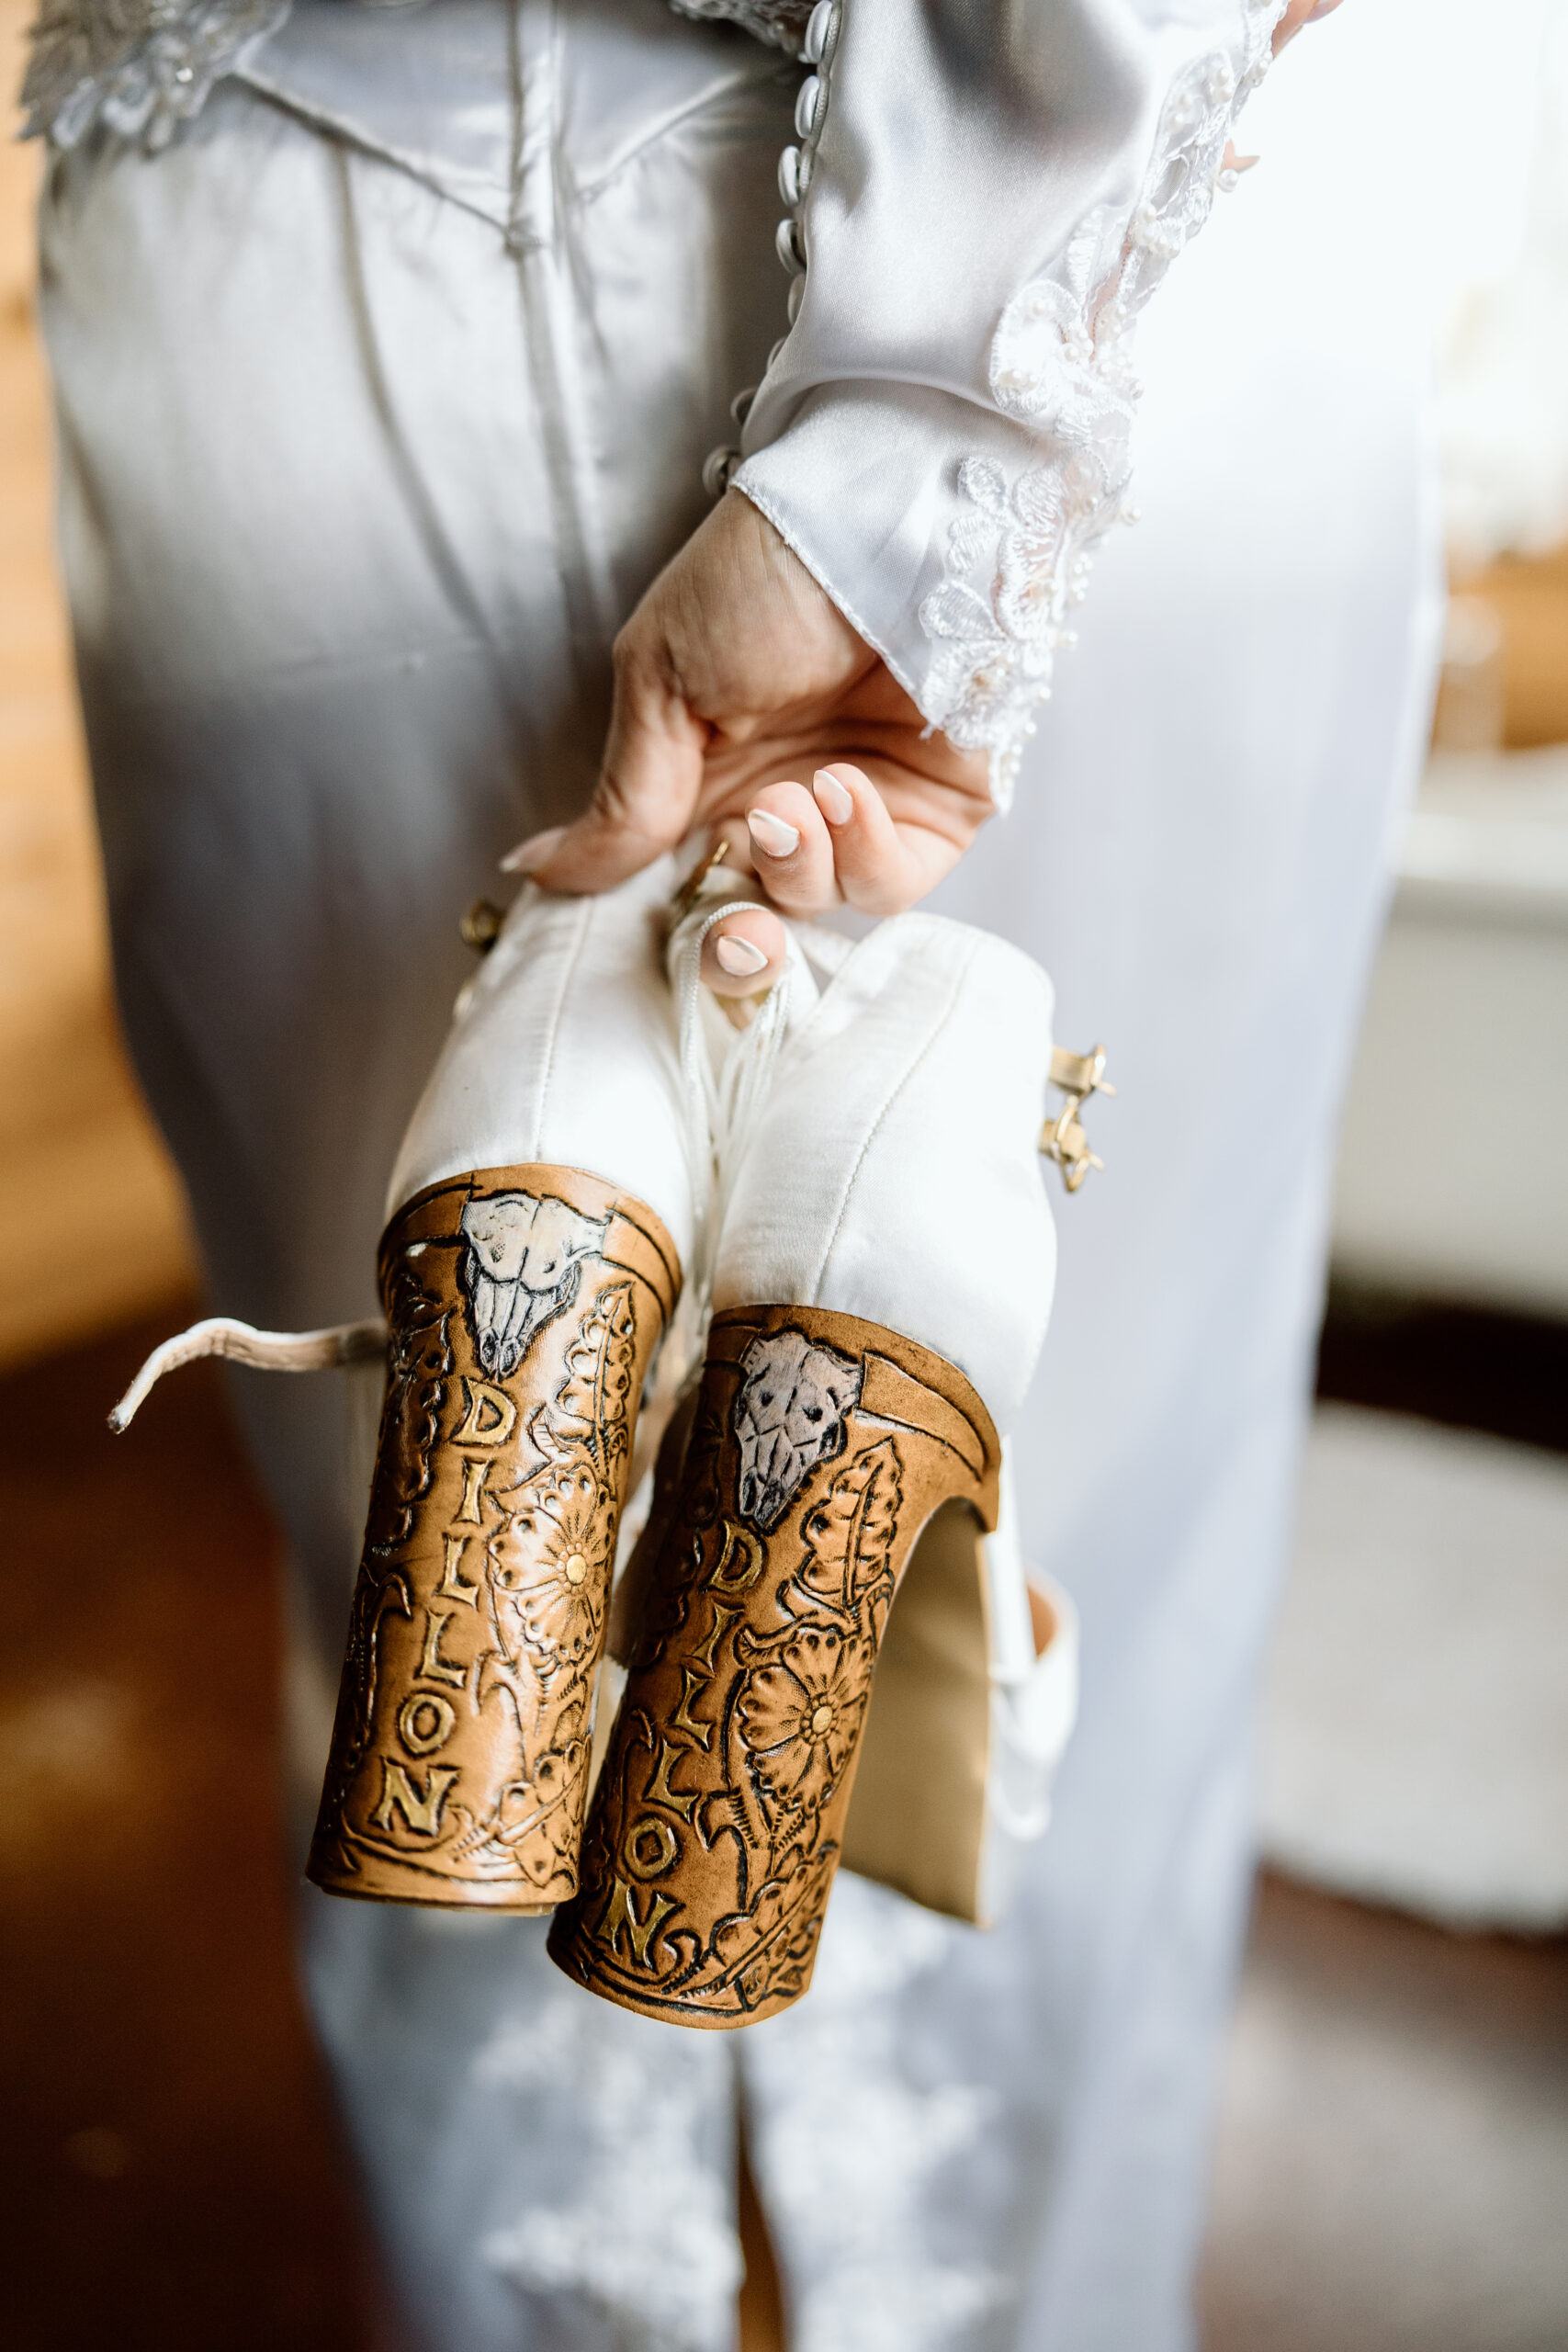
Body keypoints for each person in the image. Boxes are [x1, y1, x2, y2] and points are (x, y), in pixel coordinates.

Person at [27, 0, 1432, 2343]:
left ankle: (541, 1168)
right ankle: (886, 1256)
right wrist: (910, 444)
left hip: (280, 325)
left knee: (424, 1643)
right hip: (1103, 322)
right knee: (1095, 1630)